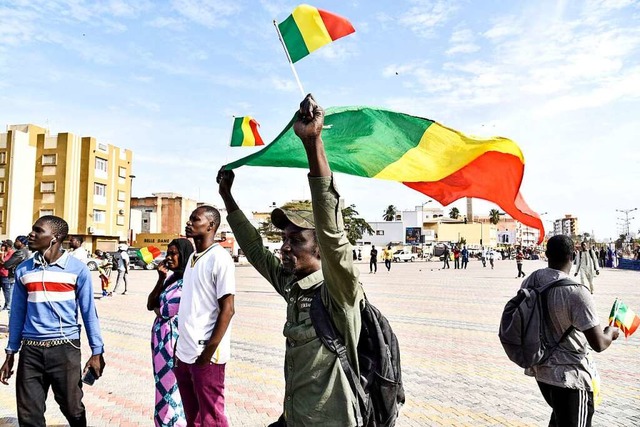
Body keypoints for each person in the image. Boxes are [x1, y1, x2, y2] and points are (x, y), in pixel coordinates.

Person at [217, 94, 365, 425]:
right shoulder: (293, 286)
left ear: (320, 248)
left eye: (296, 240)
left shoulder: (338, 293)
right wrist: (228, 198)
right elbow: (256, 250)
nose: (285, 247)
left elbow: (332, 233)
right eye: (284, 239)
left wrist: (312, 143)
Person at [0, 215, 105, 426]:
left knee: (73, 409)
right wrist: (11, 353)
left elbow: (88, 312)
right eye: (32, 229)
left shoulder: (78, 269)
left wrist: (97, 351)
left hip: (65, 349)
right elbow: (17, 315)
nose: (32, 234)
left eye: (38, 230)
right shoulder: (24, 270)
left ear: (55, 237)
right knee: (29, 415)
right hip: (31, 351)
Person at [523, 235, 618, 427]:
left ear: (547, 254)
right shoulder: (577, 292)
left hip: (542, 372)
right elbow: (599, 343)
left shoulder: (532, 281)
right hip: (571, 379)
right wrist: (611, 332)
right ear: (572, 256)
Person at [174, 206, 235, 427]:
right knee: (194, 418)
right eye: (189, 219)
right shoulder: (192, 257)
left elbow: (227, 309)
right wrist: (179, 350)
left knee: (212, 419)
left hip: (206, 355)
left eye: (195, 219)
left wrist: (207, 353)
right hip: (185, 352)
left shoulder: (220, 258)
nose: (188, 223)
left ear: (211, 225)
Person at [147, 238, 194, 427]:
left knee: (172, 386)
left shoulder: (188, 281)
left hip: (173, 342)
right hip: (161, 343)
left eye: (173, 253)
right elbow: (151, 303)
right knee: (162, 384)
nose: (169, 257)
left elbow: (165, 311)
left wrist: (159, 309)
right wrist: (160, 279)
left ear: (183, 255)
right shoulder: (171, 279)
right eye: (168, 252)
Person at [0, 236, 31, 311]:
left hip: (15, 277)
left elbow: (7, 264)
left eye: (16, 241)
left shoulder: (20, 252)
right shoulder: (26, 251)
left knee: (13, 299)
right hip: (19, 277)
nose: (15, 243)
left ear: (21, 243)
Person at [0, 240, 15, 310]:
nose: (2, 247)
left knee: (6, 291)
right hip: (0, 273)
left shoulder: (11, 253)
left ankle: (7, 305)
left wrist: (2, 254)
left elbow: (4, 262)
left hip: (5, 275)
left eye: (4, 245)